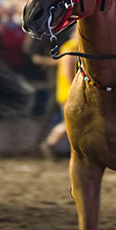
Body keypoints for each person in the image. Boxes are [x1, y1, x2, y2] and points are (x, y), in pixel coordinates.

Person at [40, 25, 78, 159]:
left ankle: (50, 143)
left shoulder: (72, 48)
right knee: (69, 123)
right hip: (68, 93)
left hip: (67, 92)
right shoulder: (70, 48)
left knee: (68, 123)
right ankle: (50, 143)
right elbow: (68, 73)